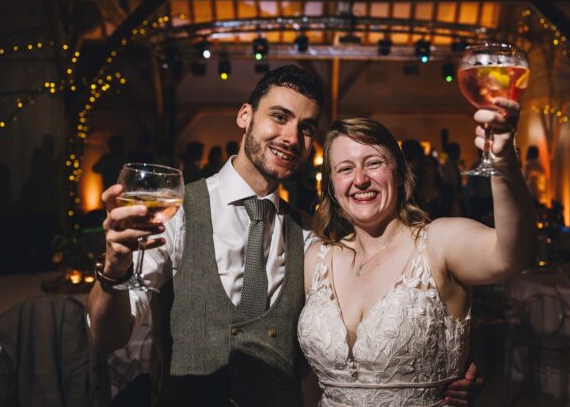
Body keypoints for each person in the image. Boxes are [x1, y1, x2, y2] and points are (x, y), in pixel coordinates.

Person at [88, 65, 483, 407]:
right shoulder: (178, 212)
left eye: (306, 128)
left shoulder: (314, 238)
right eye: (279, 117)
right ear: (245, 116)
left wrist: (446, 371)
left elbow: (393, 312)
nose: (292, 138)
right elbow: (108, 338)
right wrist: (114, 270)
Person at [298, 103, 537, 406]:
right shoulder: (317, 258)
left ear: (398, 173)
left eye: (373, 163)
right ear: (331, 185)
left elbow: (514, 254)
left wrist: (503, 162)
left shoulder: (438, 242)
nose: (360, 179)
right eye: (345, 168)